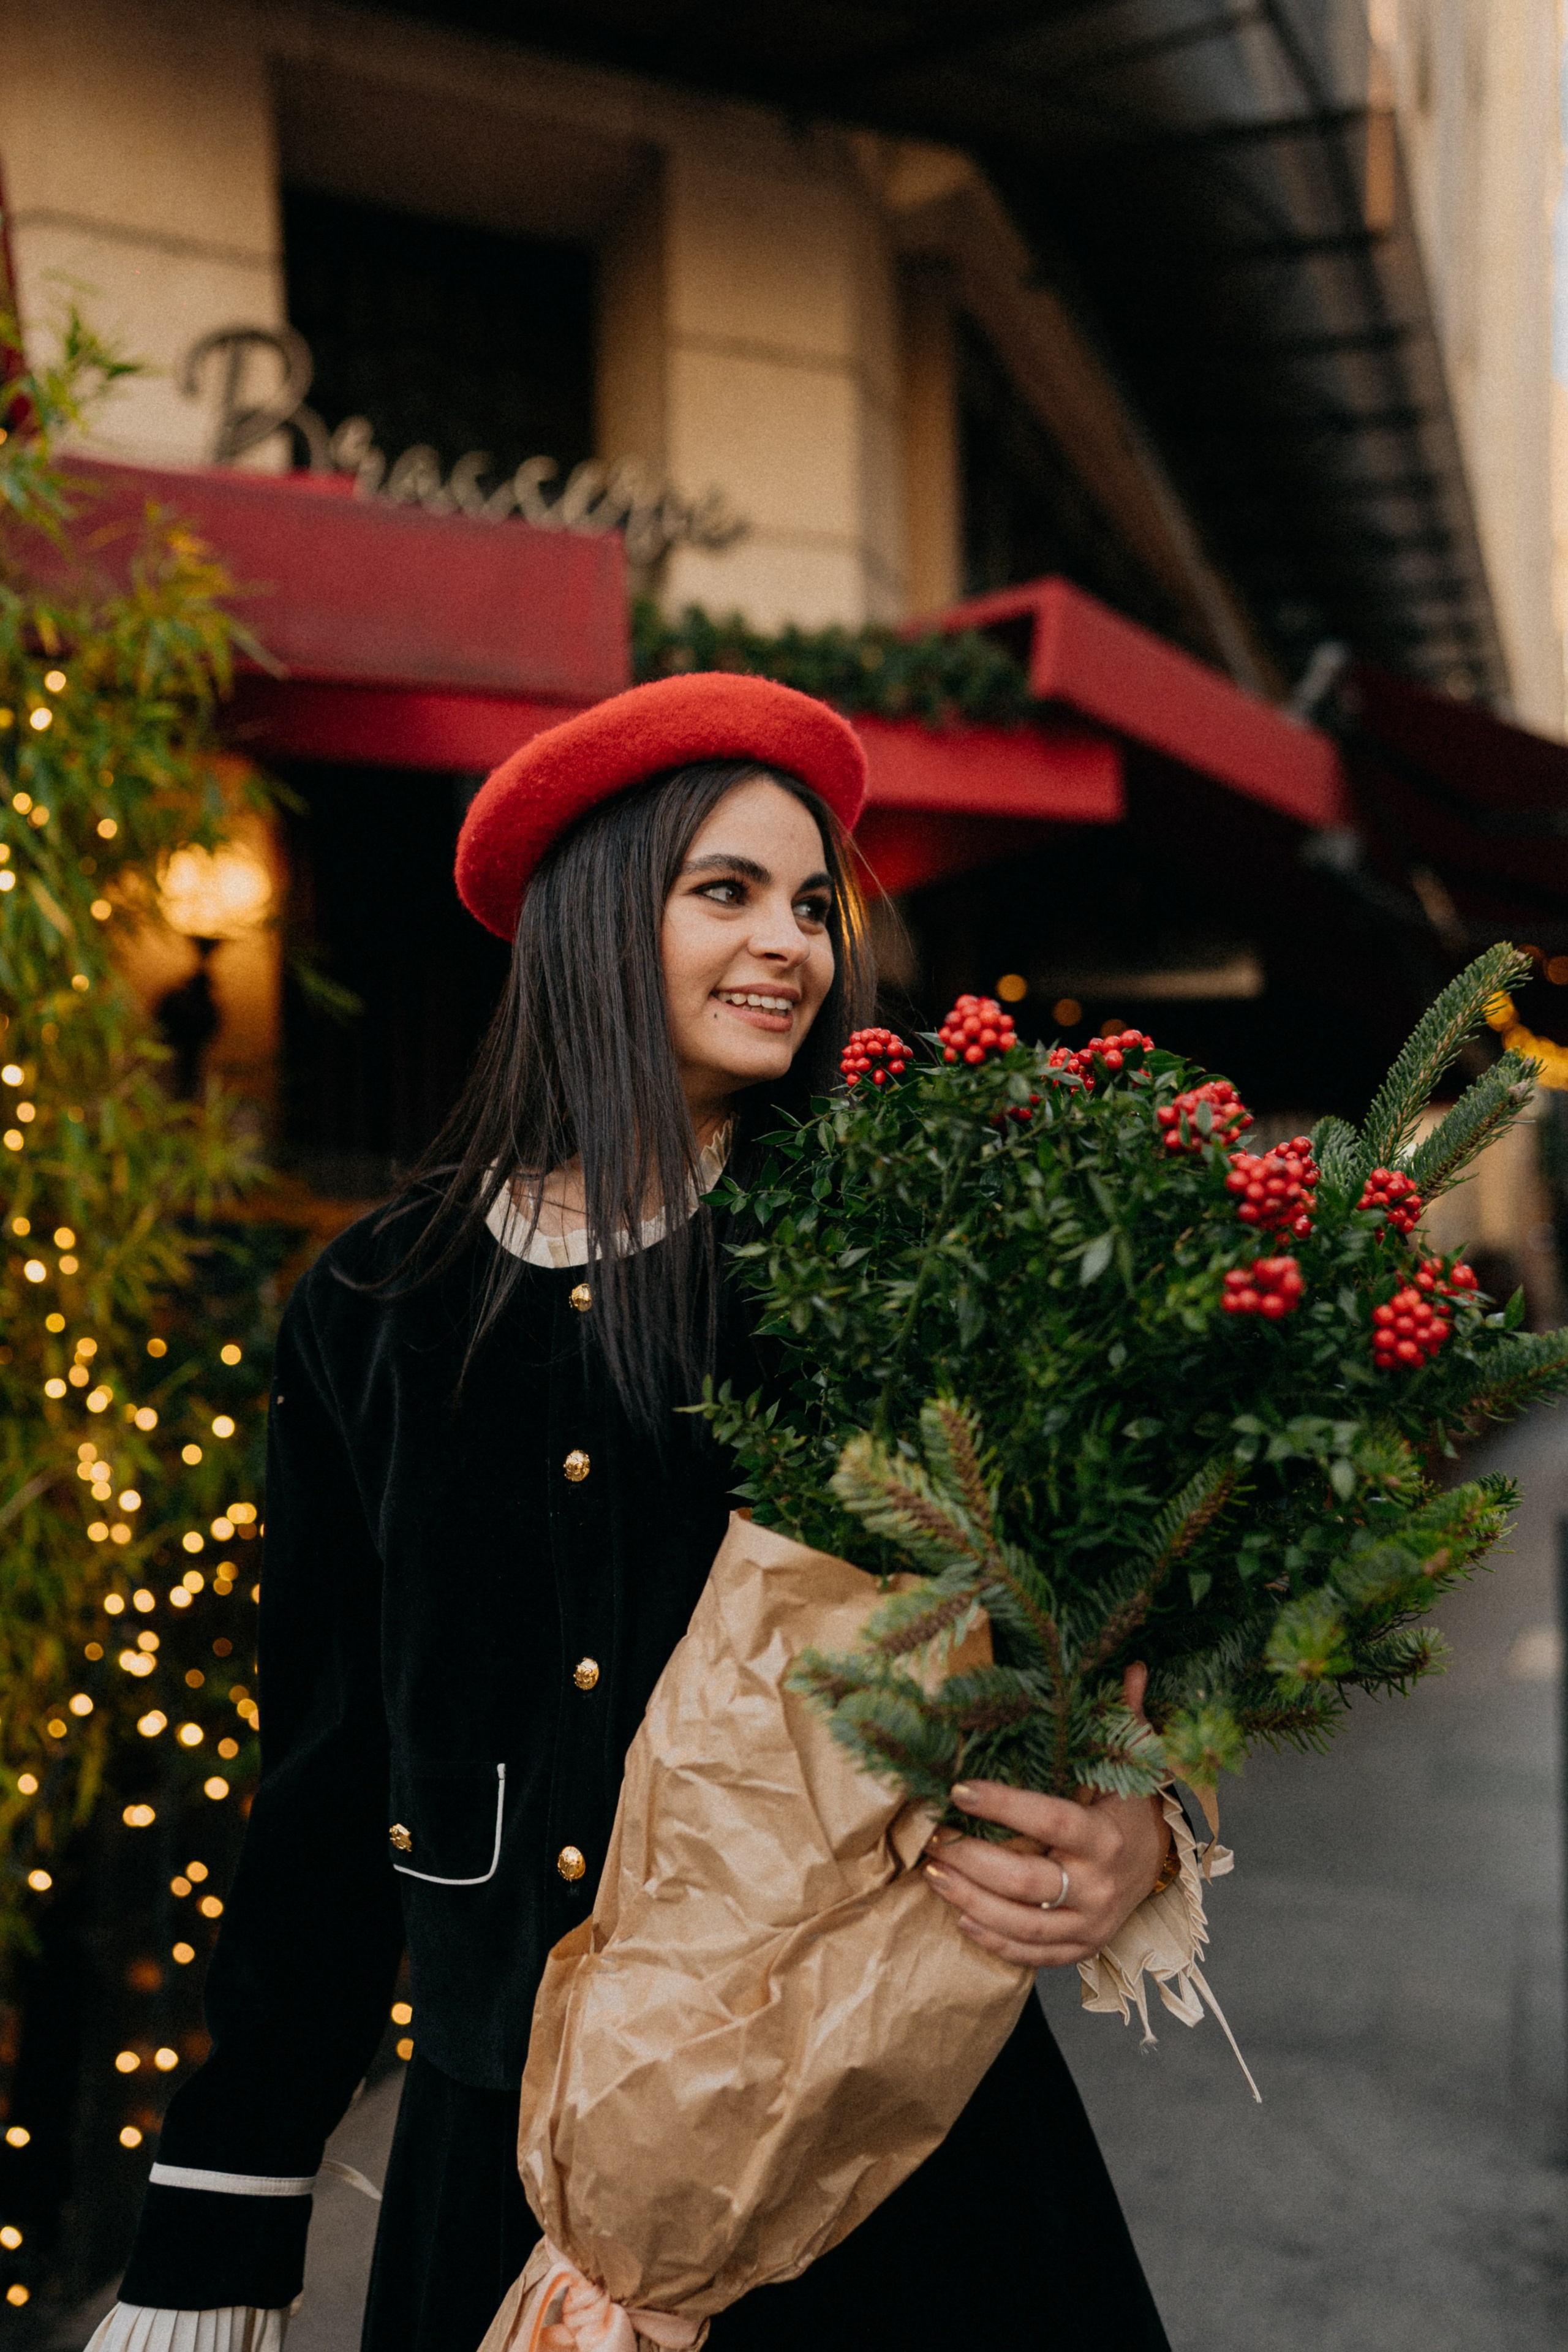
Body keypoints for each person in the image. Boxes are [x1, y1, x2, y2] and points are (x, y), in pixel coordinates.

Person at [96, 673, 1172, 2352]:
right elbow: (324, 1780)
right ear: (595, 923)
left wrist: (1136, 1826)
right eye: (726, 891)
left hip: (872, 2145)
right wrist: (224, 2211)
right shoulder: (373, 1308)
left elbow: (1095, 1618)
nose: (789, 944)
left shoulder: (889, 1256)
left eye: (810, 904)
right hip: (503, 2158)